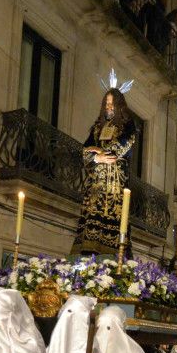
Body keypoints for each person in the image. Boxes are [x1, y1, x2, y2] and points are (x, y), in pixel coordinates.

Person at [71, 88, 138, 257]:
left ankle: (114, 253)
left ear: (119, 105)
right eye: (106, 103)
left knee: (114, 217)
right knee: (92, 215)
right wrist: (97, 158)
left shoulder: (127, 125)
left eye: (112, 103)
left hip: (115, 181)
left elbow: (121, 146)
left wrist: (98, 151)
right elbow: (85, 151)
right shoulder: (97, 127)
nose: (109, 107)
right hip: (96, 183)